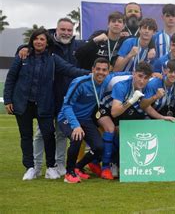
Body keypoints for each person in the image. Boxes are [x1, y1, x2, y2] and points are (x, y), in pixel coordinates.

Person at [3, 29, 89, 180]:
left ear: (47, 42)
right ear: (32, 41)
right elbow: (10, 79)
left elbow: (71, 70)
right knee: (26, 136)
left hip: (44, 104)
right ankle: (30, 168)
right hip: (22, 103)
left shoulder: (53, 58)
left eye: (42, 39)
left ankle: (51, 167)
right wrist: (8, 100)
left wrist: (91, 73)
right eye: (36, 39)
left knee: (48, 135)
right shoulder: (22, 56)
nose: (39, 42)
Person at [98, 61, 157, 179]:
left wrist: (162, 117)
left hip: (124, 110)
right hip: (106, 109)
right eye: (140, 76)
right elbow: (114, 112)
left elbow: (147, 108)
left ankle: (118, 162)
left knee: (127, 132)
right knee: (110, 129)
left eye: (145, 78)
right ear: (134, 73)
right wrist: (131, 100)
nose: (142, 80)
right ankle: (106, 167)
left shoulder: (148, 87)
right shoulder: (121, 85)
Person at [58, 58, 112, 183]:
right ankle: (69, 173)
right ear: (93, 70)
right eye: (98, 69)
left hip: (86, 119)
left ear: (108, 72)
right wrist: (75, 125)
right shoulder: (80, 82)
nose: (101, 72)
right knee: (77, 137)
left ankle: (78, 168)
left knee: (99, 147)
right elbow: (67, 105)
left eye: (104, 70)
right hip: (67, 117)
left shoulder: (107, 81)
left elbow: (122, 74)